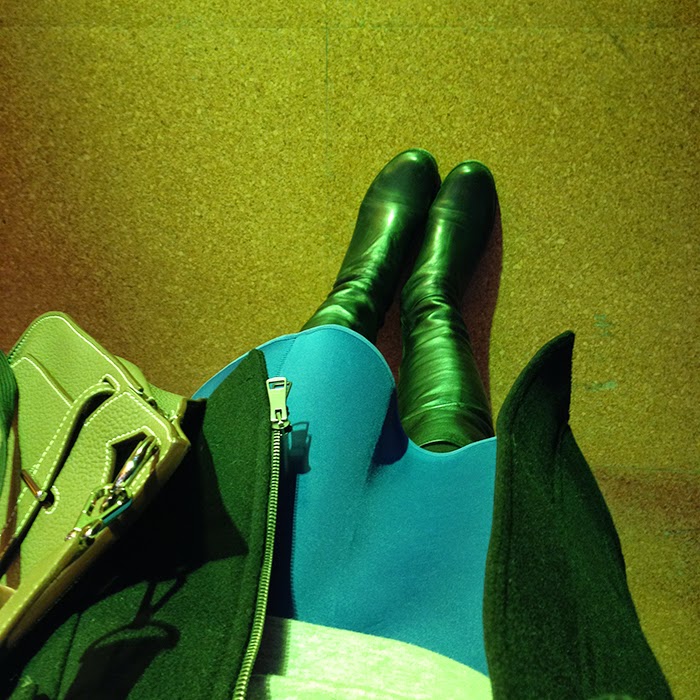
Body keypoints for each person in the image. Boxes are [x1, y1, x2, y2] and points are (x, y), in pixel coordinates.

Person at [1, 151, 673, 699]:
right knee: (464, 515)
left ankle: (357, 294)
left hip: (172, 644)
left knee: (302, 417)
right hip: (448, 674)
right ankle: (433, 305)